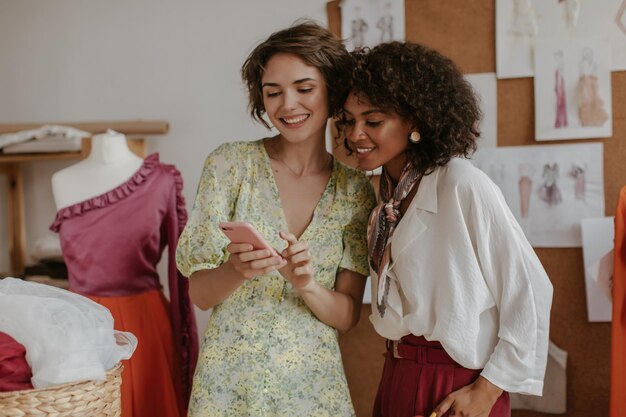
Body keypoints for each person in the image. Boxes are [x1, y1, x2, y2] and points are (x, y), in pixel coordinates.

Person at [340, 42, 553, 417]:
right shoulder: (380, 198)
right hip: (396, 373)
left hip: (458, 384)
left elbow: (530, 290)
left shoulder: (460, 183)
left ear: (416, 122)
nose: (355, 134)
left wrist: (486, 392)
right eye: (348, 120)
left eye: (372, 121)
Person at [176, 22, 376, 417]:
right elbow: (199, 295)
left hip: (314, 388)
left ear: (332, 91)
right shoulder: (229, 165)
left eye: (304, 89)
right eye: (273, 92)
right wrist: (237, 269)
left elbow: (348, 315)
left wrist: (307, 285)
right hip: (229, 387)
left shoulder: (355, 190)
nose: (288, 105)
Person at [50, 129, 198, 417]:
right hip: (83, 326)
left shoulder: (162, 180)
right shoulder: (62, 180)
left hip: (144, 324)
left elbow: (181, 267)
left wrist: (186, 339)